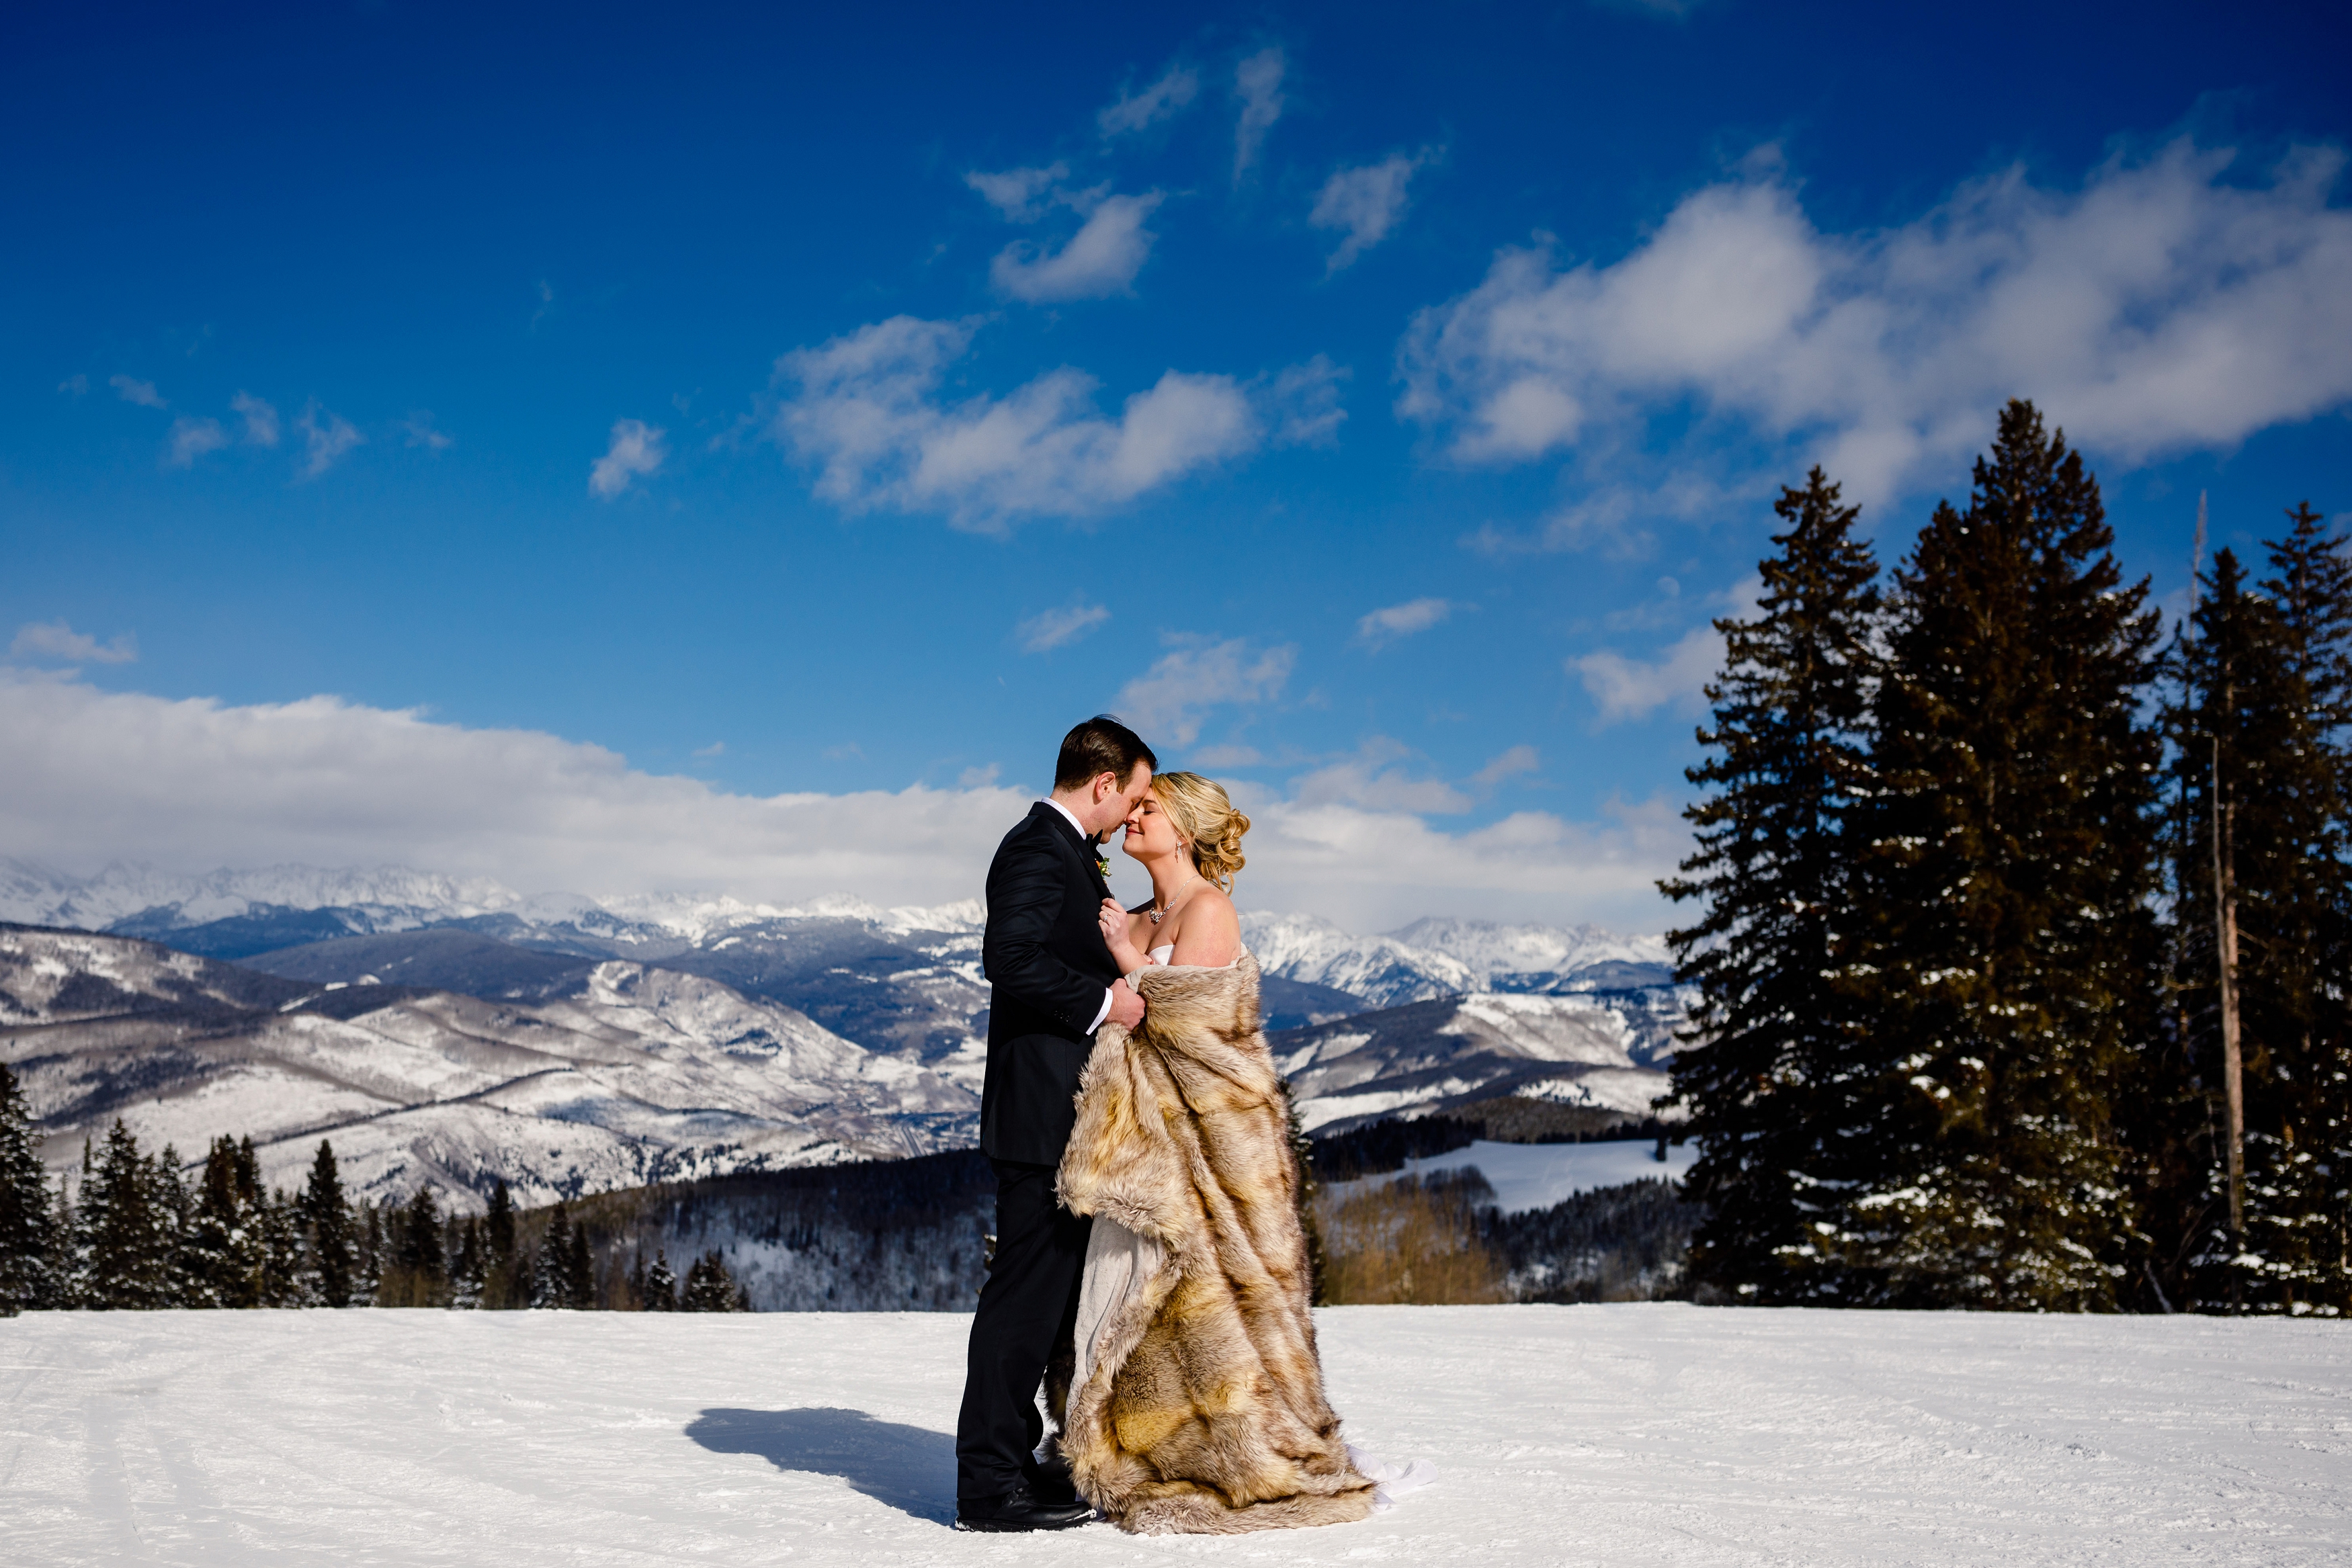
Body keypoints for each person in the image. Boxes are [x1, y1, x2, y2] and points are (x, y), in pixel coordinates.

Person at [1050, 771, 1424, 1533]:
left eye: (1148, 809)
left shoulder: (1206, 908)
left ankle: (1228, 1445)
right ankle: (1152, 1437)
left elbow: (1187, 1024)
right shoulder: (1150, 911)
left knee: (1209, 1291)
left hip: (1209, 1135)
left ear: (1183, 829)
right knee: (1146, 1295)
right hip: (1150, 1135)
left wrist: (1124, 954)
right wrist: (1124, 946)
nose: (1132, 815)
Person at [952, 715, 1157, 1533]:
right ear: (1102, 783)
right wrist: (1107, 1002)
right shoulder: (1039, 846)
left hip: (1062, 1124)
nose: (1130, 813)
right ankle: (986, 1486)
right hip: (1038, 1119)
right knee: (1021, 1305)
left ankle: (1017, 1464)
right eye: (1132, 796)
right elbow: (1009, 955)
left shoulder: (1068, 850)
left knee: (1045, 1307)